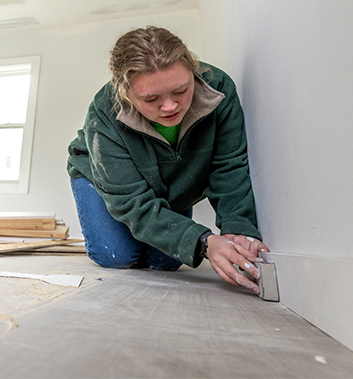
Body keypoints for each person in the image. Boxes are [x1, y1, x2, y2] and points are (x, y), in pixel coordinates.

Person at [66, 26, 269, 295]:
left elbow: (228, 166)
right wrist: (206, 242)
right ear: (125, 94)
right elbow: (132, 203)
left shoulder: (218, 89)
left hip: (172, 179)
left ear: (192, 71)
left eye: (181, 90)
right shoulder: (104, 112)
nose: (170, 106)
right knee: (117, 256)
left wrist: (238, 229)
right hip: (103, 177)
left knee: (165, 262)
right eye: (151, 98)